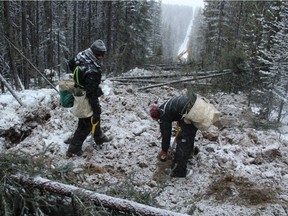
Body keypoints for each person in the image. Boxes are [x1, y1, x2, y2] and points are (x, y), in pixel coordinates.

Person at [66, 39, 112, 157]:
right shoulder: (92, 70)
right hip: (85, 94)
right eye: (102, 55)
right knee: (86, 122)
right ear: (98, 55)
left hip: (80, 89)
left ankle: (99, 136)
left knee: (93, 117)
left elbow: (70, 64)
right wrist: (97, 110)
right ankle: (73, 149)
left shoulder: (82, 56)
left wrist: (82, 79)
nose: (103, 57)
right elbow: (92, 95)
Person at [149, 93, 198, 177]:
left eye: (157, 119)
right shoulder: (166, 106)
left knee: (183, 140)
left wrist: (164, 150)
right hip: (196, 105)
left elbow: (166, 135)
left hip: (191, 110)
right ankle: (189, 153)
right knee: (189, 134)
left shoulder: (163, 113)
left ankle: (179, 171)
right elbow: (177, 109)